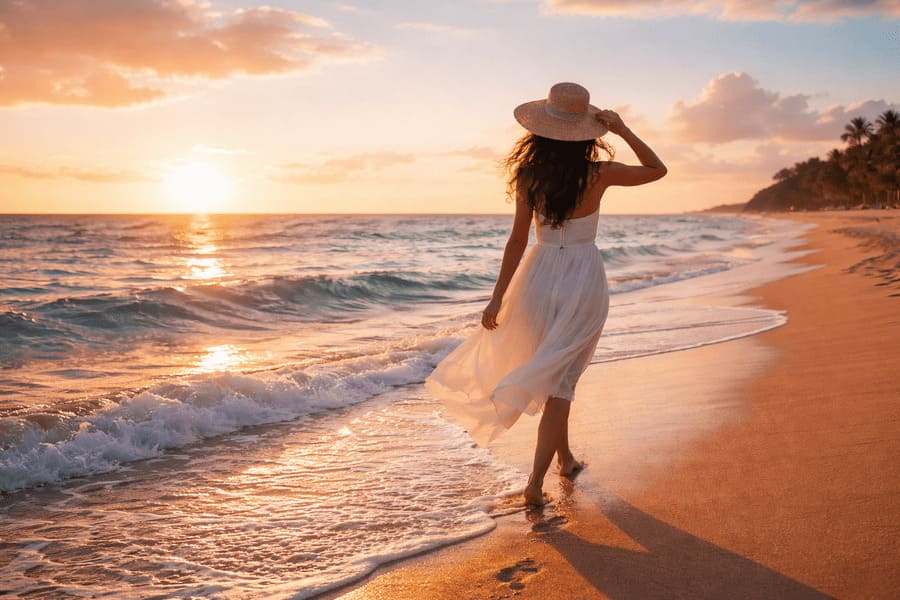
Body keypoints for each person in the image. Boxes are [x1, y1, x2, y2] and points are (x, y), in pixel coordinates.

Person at [425, 82, 667, 506]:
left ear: (540, 131)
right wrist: (625, 131)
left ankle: (565, 459)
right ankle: (534, 484)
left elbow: (517, 240)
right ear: (585, 132)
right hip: (581, 278)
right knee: (563, 381)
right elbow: (657, 170)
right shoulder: (598, 173)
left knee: (557, 376)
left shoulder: (528, 175)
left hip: (536, 279)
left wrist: (498, 296)